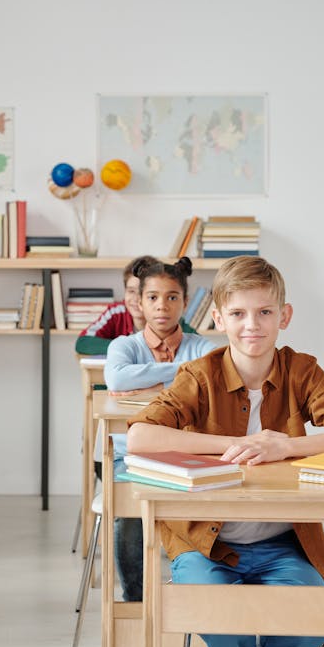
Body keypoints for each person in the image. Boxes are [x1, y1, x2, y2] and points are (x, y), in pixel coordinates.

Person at [127, 256, 324, 647]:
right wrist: (237, 444)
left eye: (265, 312)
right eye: (239, 314)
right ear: (219, 317)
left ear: (285, 316)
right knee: (209, 604)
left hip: (284, 544)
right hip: (206, 544)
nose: (252, 325)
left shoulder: (302, 371)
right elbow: (140, 437)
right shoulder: (199, 374)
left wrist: (287, 446)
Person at [103, 256, 215, 603]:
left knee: (220, 506)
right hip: (133, 456)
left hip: (192, 455)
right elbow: (118, 377)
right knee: (129, 515)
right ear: (139, 301)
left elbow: (213, 373)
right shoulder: (125, 345)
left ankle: (199, 606)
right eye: (152, 297)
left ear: (185, 301)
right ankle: (136, 602)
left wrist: (150, 379)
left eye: (171, 297)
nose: (162, 306)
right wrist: (184, 372)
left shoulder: (204, 347)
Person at [74, 254, 198, 355]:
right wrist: (128, 348)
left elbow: (198, 345)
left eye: (147, 294)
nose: (136, 298)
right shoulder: (116, 313)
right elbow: (83, 342)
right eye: (131, 291)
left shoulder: (168, 319)